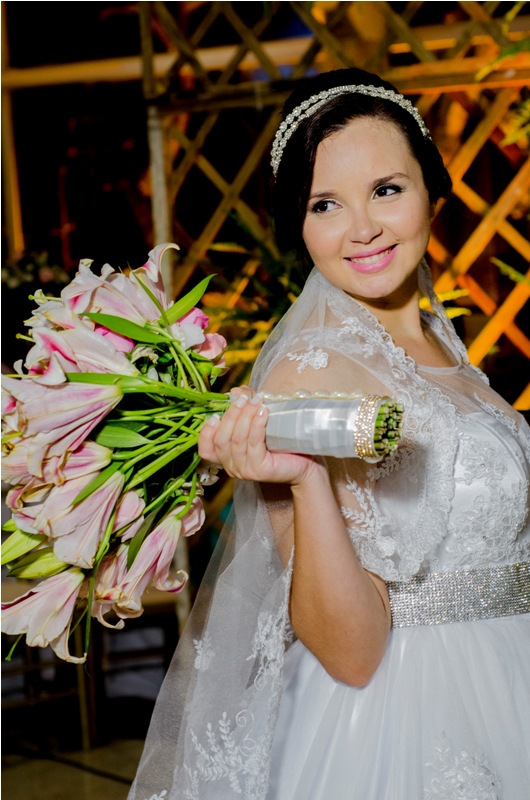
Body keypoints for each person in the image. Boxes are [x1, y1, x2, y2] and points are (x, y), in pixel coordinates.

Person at [128, 67, 530, 800]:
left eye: (386, 189)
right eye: (325, 205)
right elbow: (351, 653)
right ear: (299, 225)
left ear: (430, 190)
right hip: (403, 719)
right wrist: (304, 477)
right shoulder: (310, 382)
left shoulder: (446, 348)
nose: (363, 228)